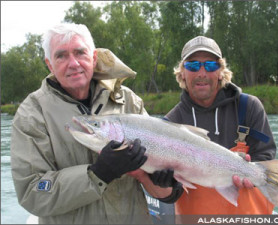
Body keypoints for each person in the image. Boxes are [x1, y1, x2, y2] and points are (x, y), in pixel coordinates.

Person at [10, 23, 182, 224]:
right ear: (50, 64)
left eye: (80, 52)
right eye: (61, 56)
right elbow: (32, 191)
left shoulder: (129, 101)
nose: (73, 63)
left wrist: (164, 183)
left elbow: (162, 190)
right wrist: (97, 174)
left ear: (93, 58)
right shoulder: (31, 113)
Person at [165, 36, 277, 218]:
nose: (202, 73)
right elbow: (171, 191)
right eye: (193, 65)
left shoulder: (248, 107)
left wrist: (252, 176)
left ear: (220, 71)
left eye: (210, 65)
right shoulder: (170, 123)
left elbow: (266, 159)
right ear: (182, 72)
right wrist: (164, 182)